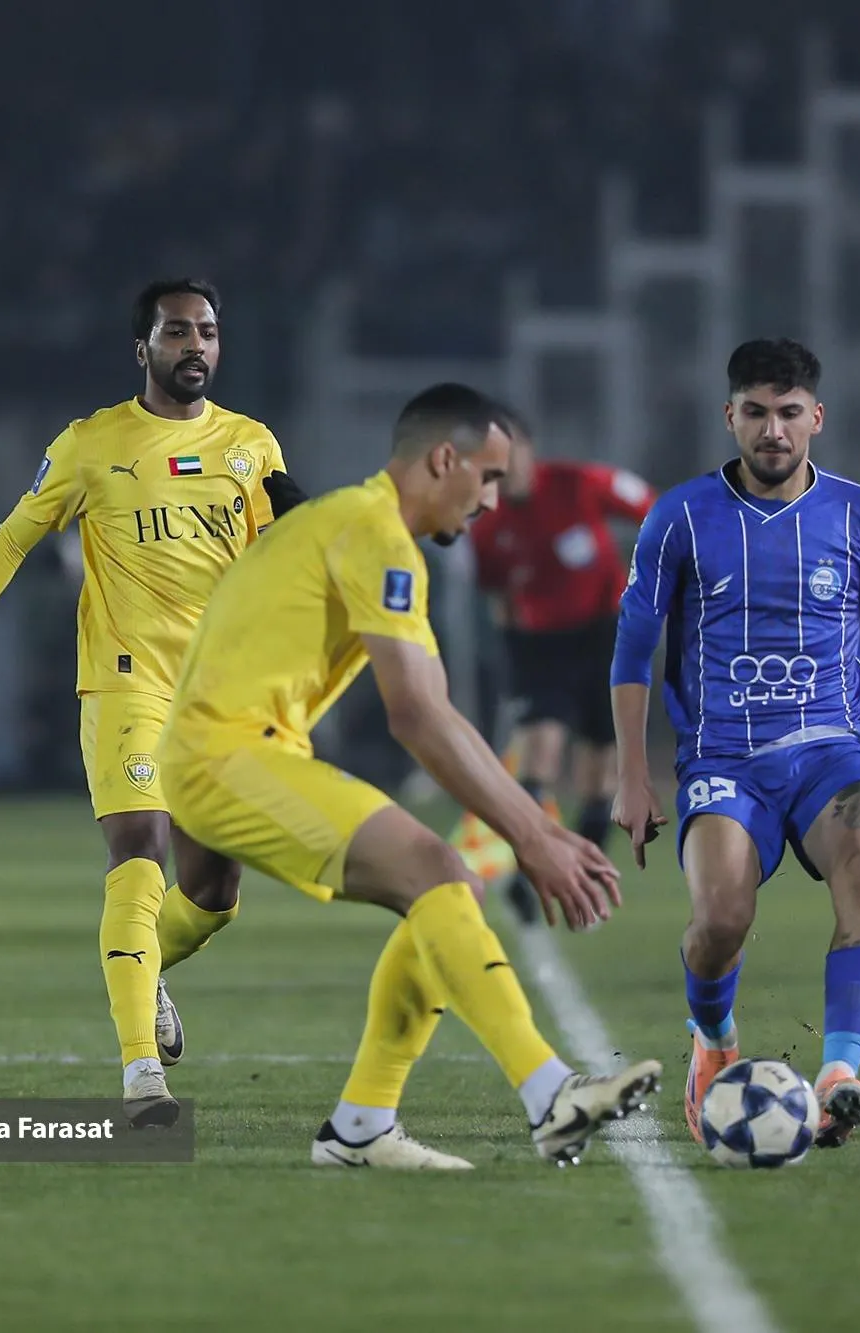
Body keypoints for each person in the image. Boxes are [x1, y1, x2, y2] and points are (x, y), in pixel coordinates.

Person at [157, 382, 660, 1170]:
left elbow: (438, 709)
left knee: (435, 884)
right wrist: (532, 836)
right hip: (227, 752)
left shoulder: (369, 530)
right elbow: (418, 718)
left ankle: (361, 1126)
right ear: (444, 459)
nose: (492, 500)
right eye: (487, 478)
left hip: (231, 748)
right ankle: (551, 1092)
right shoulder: (374, 532)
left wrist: (535, 829)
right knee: (433, 869)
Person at [0, 279, 307, 1127]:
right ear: (142, 348)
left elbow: (280, 555)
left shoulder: (251, 445)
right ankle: (142, 1075)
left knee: (216, 892)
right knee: (140, 848)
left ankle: (142, 970)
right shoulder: (91, 444)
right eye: (177, 331)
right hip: (126, 682)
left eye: (208, 332)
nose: (196, 345)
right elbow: (15, 536)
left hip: (218, 697)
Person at [612, 338, 860, 1149]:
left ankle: (840, 1072)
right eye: (755, 412)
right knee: (719, 920)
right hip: (724, 757)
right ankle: (714, 1040)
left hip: (832, 750)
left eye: (788, 412)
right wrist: (633, 774)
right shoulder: (680, 516)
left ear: (817, 417)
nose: (772, 430)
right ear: (730, 416)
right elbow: (632, 648)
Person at [464, 406, 658, 924]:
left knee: (599, 765)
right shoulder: (488, 524)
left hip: (605, 635)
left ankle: (586, 874)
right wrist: (515, 657)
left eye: (510, 450)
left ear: (528, 448)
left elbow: (654, 510)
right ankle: (530, 869)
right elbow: (497, 595)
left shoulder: (577, 483)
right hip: (540, 647)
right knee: (541, 755)